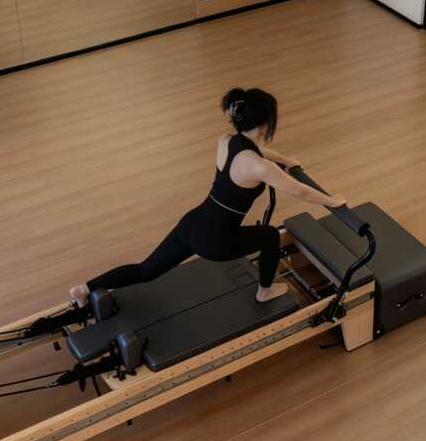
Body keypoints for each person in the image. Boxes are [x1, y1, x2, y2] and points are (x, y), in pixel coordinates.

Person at [71, 87, 347, 305]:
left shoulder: (226, 141)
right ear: (265, 124)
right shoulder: (260, 167)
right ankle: (265, 291)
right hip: (218, 241)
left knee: (147, 269)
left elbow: (257, 151)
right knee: (270, 236)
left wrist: (285, 159)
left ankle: (85, 288)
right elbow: (299, 190)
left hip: (193, 223)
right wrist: (331, 200)